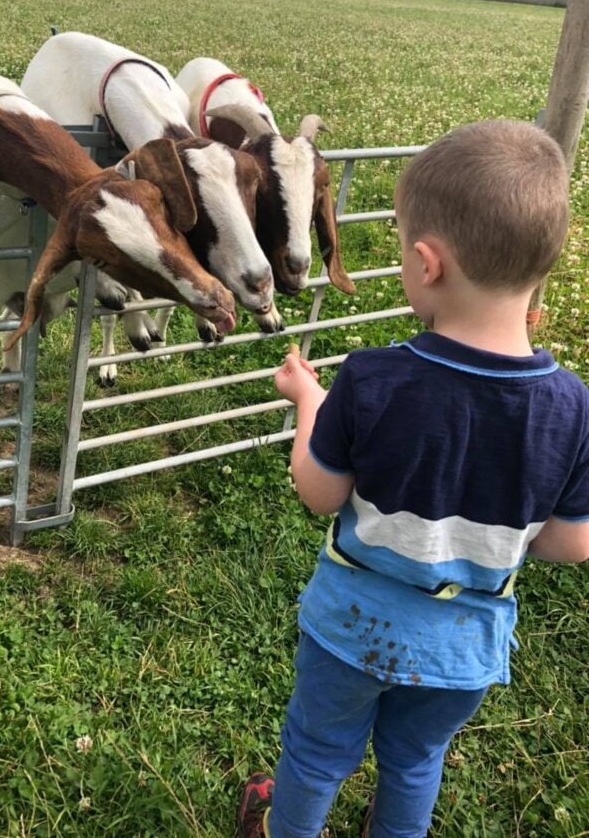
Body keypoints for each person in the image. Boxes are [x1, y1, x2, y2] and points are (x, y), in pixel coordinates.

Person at [236, 120, 589, 838]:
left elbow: (320, 492)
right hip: (464, 649)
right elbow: (569, 544)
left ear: (426, 263)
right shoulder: (572, 406)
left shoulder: (370, 378)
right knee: (414, 758)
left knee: (314, 753)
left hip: (349, 630)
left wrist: (309, 402)